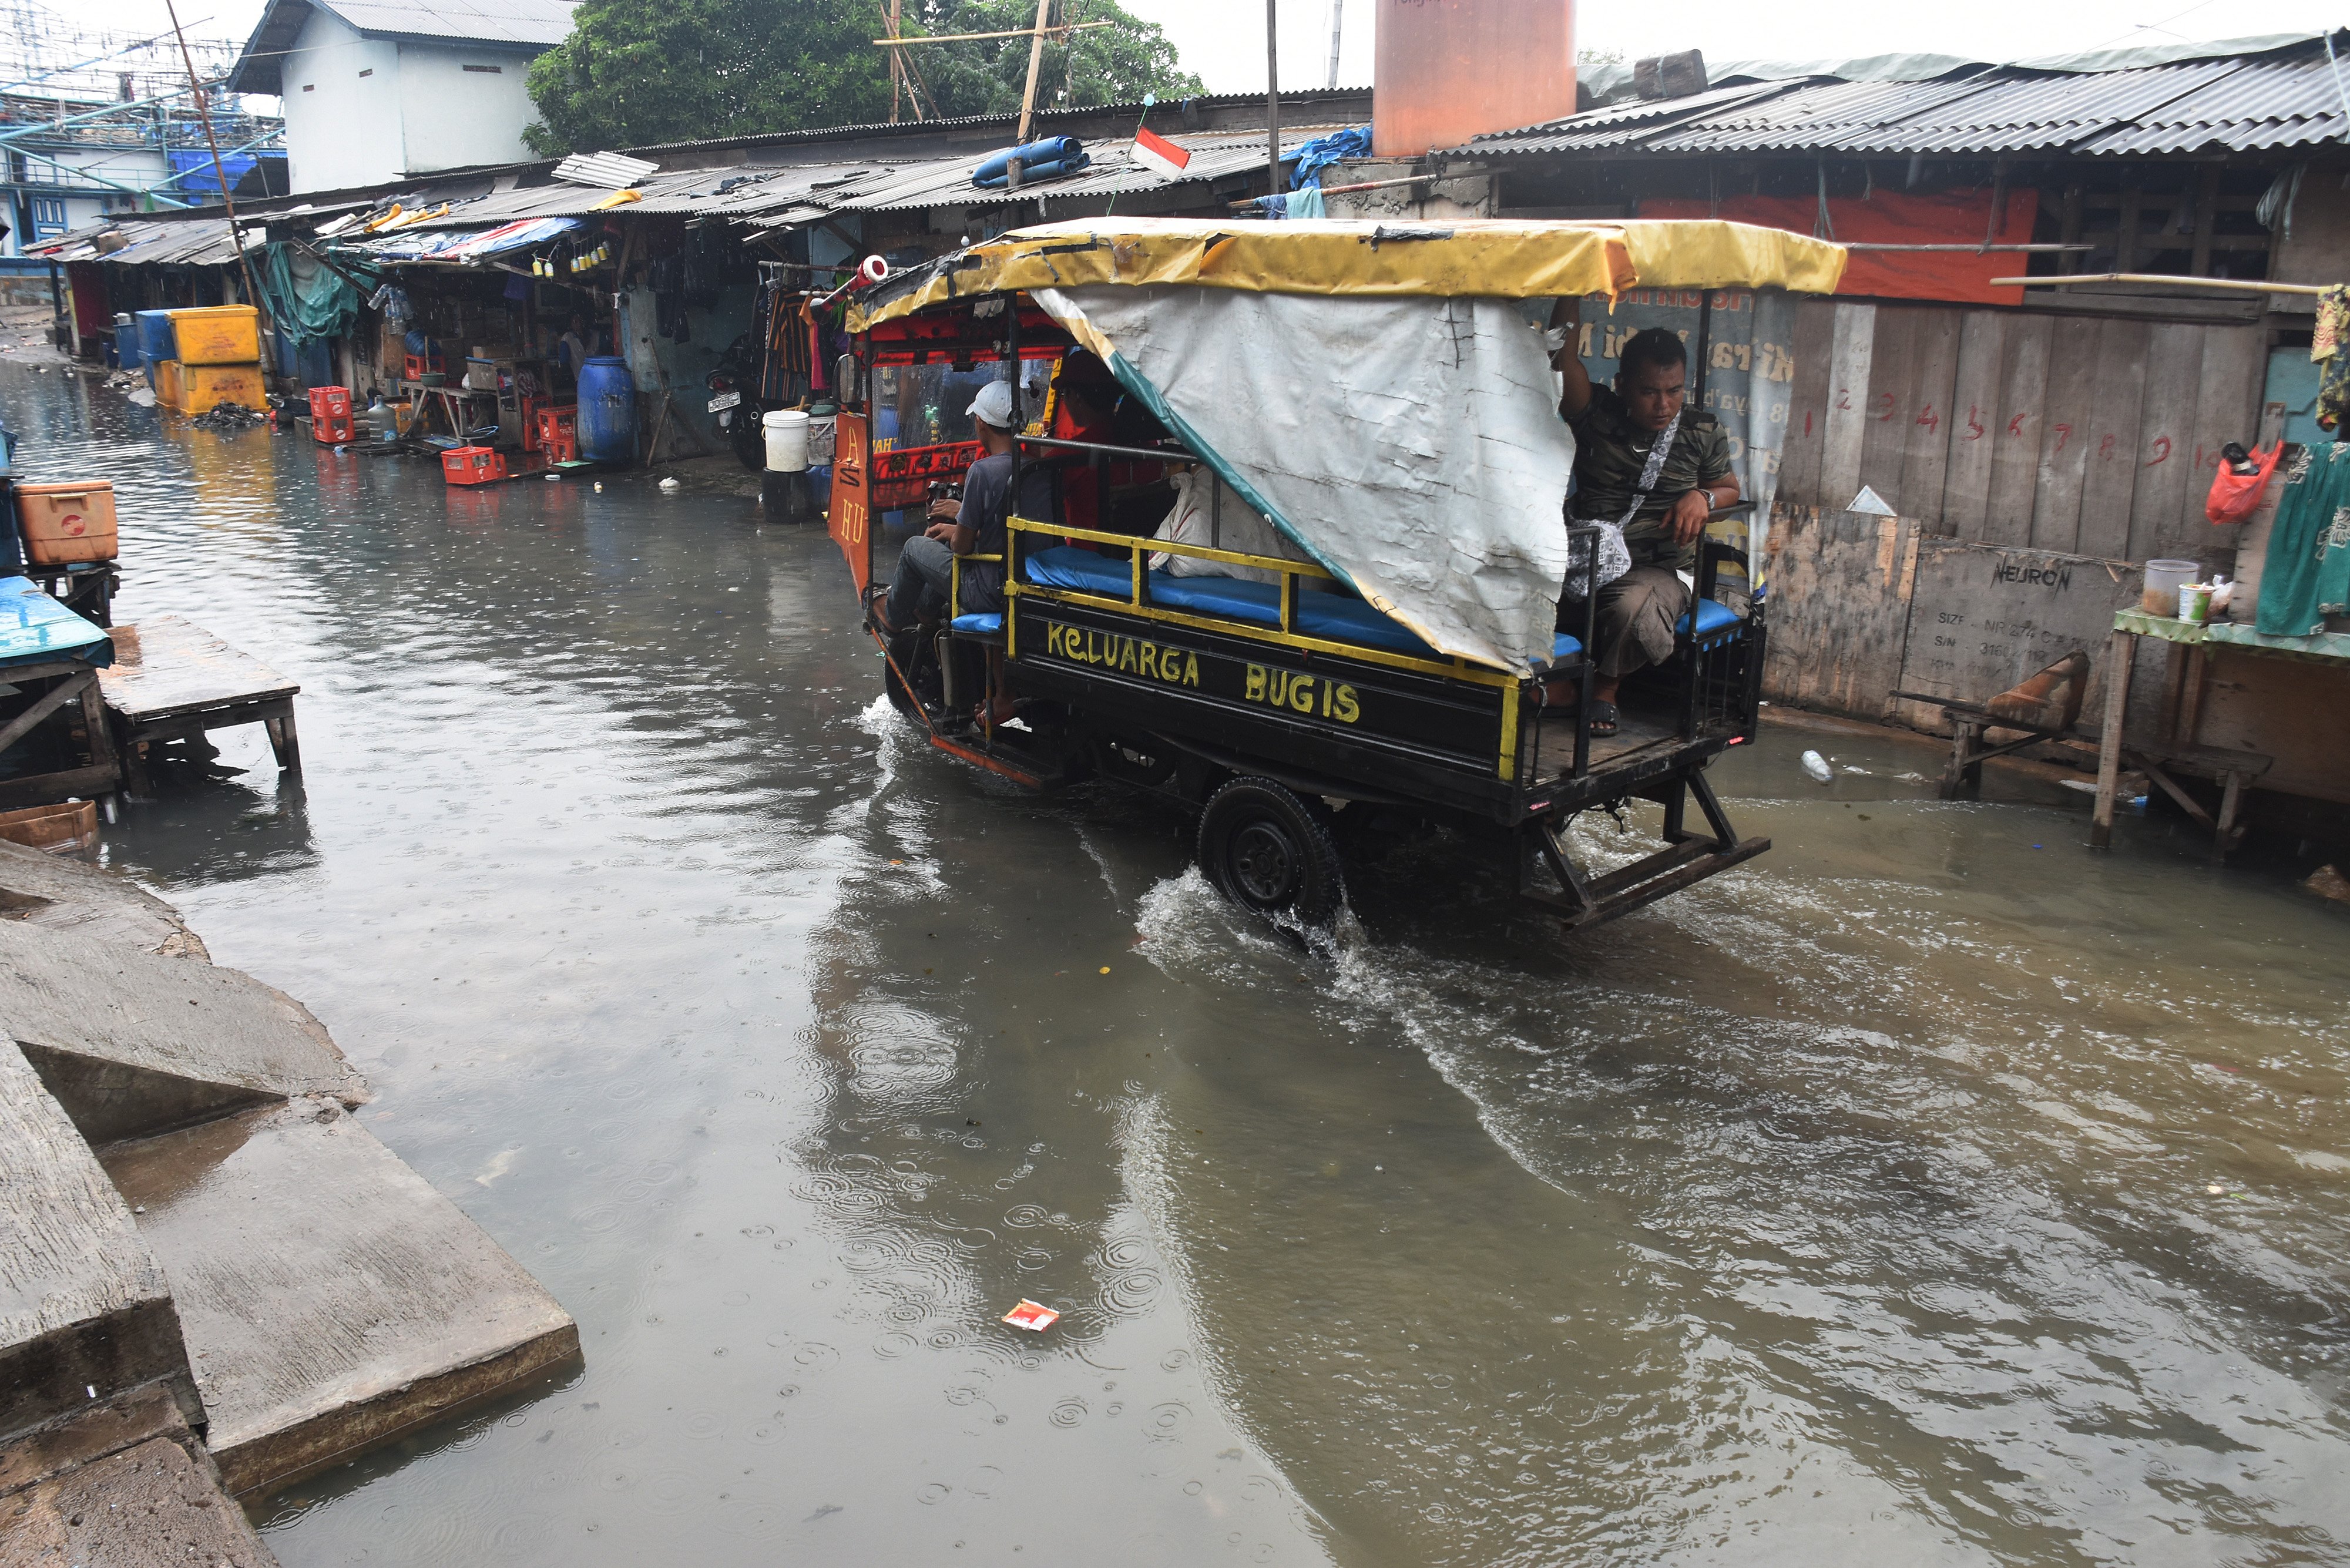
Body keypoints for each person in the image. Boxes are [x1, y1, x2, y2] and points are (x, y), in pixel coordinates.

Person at [1547, 300, 1741, 733]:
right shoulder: (1596, 413)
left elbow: (1731, 488)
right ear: (1622, 385)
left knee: (1634, 606)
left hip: (1657, 568)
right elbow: (1562, 360)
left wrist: (1704, 497)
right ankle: (1552, 684)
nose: (1663, 404)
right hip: (1581, 558)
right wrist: (1572, 285)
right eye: (1650, 391)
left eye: (1673, 391)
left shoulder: (1702, 431)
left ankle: (1604, 691)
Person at [870, 378, 1050, 721]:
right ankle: (925, 613)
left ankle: (894, 617)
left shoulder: (983, 471)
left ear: (981, 423)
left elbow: (963, 546)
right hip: (1028, 574)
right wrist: (962, 523)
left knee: (913, 548)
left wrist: (957, 525)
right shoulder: (1037, 466)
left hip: (987, 585)